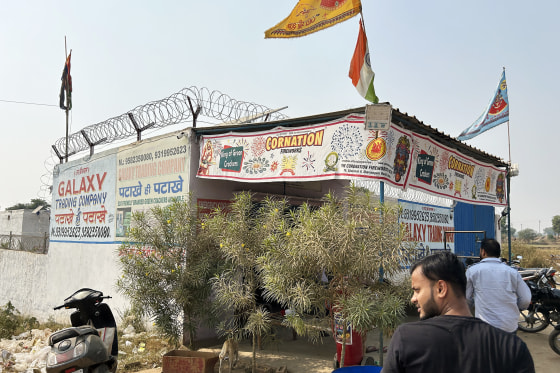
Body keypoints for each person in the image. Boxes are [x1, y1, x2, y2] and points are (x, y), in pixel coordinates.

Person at [383, 251, 534, 373]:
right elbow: (526, 299)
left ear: (441, 289)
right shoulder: (512, 347)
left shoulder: (407, 338)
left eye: (417, 290)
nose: (413, 299)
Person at [466, 238, 531, 333]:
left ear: (483, 252)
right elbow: (526, 299)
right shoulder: (512, 272)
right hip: (509, 326)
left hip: (484, 328)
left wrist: (471, 310)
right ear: (498, 253)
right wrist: (516, 308)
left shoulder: (473, 271)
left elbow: (466, 298)